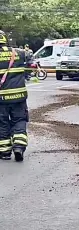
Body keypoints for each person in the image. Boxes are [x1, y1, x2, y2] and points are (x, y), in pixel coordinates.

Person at [0, 30, 29, 161]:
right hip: (19, 96)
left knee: (2, 123)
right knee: (20, 120)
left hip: (2, 98)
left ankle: (5, 152)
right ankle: (19, 147)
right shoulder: (19, 52)